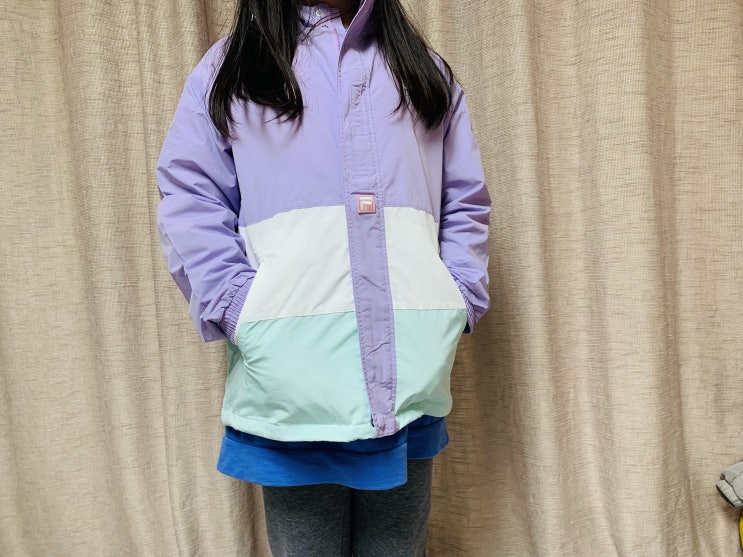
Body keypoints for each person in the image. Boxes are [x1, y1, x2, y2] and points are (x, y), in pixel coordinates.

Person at [156, 0, 490, 555]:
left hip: (409, 380)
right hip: (292, 382)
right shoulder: (235, 68)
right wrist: (239, 306)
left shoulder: (420, 68)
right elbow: (190, 197)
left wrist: (458, 296)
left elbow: (465, 200)